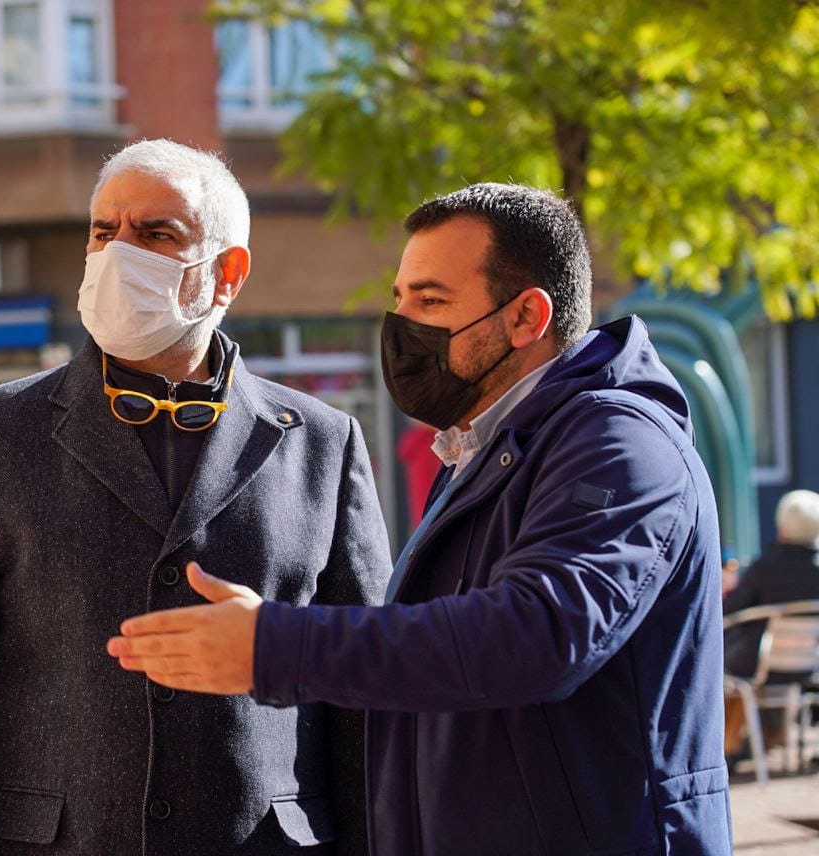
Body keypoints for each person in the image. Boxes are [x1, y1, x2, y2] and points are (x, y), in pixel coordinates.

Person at [109, 183, 732, 854]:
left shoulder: (618, 447)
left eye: (432, 301)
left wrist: (276, 646)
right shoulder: (488, 445)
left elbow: (538, 636)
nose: (402, 327)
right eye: (400, 298)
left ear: (527, 317)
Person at [0, 139, 391, 855]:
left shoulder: (322, 441)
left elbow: (361, 696)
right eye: (104, 231)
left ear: (227, 274)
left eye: (156, 234)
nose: (120, 251)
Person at [722, 489, 819, 758]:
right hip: (809, 667)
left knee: (723, 661)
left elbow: (728, 611)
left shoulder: (764, 568)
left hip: (758, 666)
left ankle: (730, 743)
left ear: (782, 525)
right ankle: (770, 735)